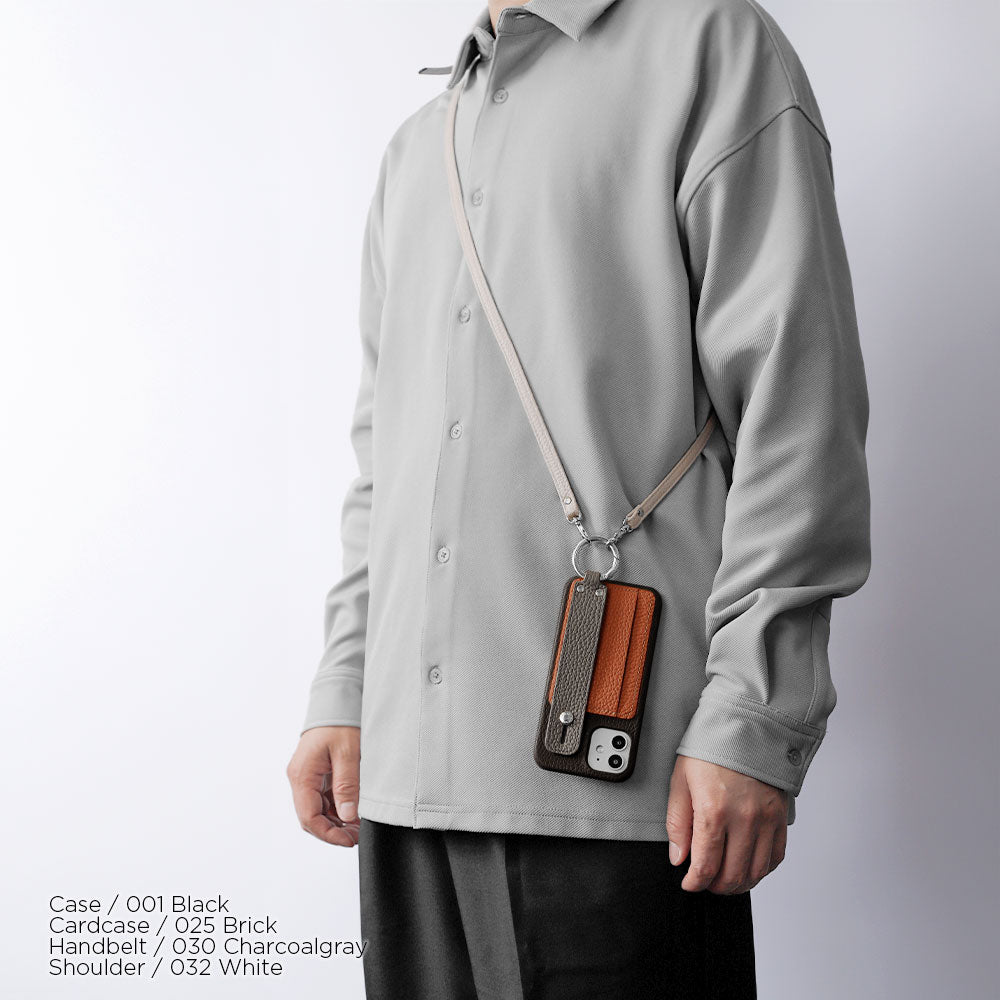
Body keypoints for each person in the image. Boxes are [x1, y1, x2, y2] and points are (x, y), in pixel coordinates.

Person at [286, 1, 872, 996]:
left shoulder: (709, 46)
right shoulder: (417, 146)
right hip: (400, 783)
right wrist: (345, 683)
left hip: (618, 784)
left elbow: (796, 405)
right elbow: (385, 459)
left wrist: (753, 715)